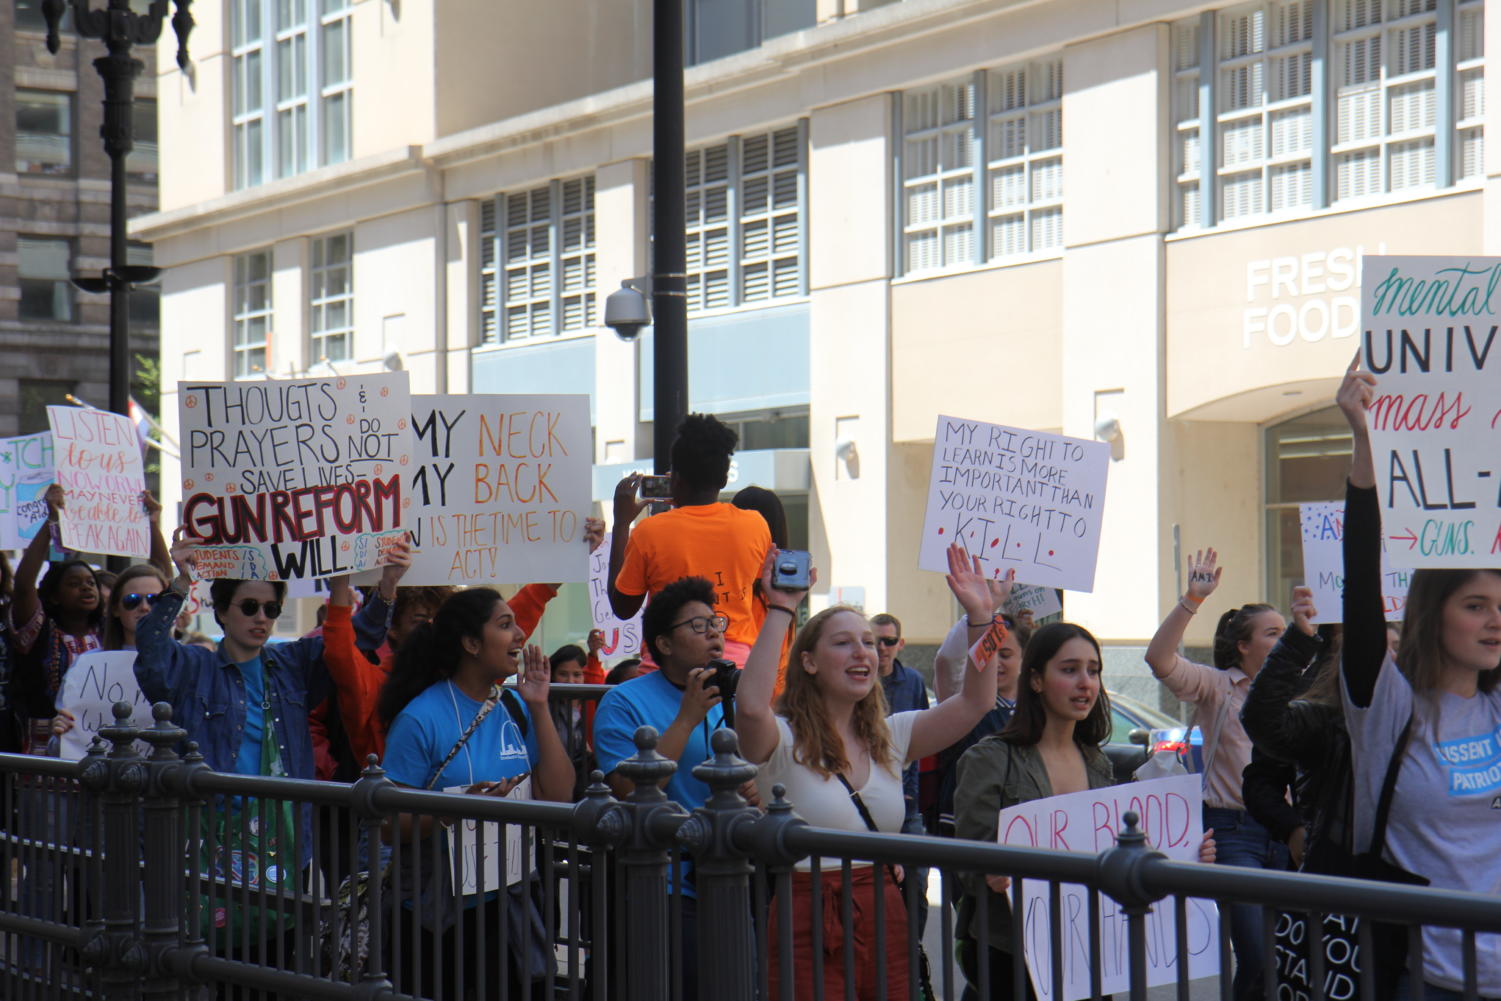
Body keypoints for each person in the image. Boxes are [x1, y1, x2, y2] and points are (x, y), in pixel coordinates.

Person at [736, 543, 1002, 1001]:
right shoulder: (780, 739)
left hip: (884, 910)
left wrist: (982, 620)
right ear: (809, 662)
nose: (864, 652)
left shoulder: (893, 735)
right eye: (843, 643)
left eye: (869, 642)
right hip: (805, 912)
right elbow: (749, 706)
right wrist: (781, 607)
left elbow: (976, 701)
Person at [1337, 362, 1501, 1001]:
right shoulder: (1389, 709)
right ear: (1436, 614)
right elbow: (1359, 587)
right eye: (1476, 605)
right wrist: (1363, 441)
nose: (1494, 622)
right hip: (1426, 978)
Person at [954, 621, 1218, 1001]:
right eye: (1069, 669)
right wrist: (989, 868)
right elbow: (967, 861)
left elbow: (1117, 852)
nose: (1086, 682)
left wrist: (1188, 855)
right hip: (1011, 953)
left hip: (1090, 953)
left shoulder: (1097, 763)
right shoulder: (990, 759)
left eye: (1093, 671)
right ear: (1036, 681)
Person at [377, 585, 576, 1001]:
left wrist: (540, 705)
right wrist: (459, 808)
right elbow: (389, 826)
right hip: (435, 917)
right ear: (470, 643)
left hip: (510, 905)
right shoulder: (420, 718)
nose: (520, 635)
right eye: (505, 625)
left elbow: (558, 797)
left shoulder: (515, 707)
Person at [1143, 546, 1290, 1001]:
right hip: (1234, 833)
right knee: (1258, 956)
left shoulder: (1300, 692)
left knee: (1285, 957)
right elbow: (1159, 659)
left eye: (1287, 632)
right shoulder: (1216, 685)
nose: (1285, 640)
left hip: (1290, 835)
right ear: (1244, 646)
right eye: (1273, 633)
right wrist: (1192, 599)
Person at [608, 414, 773, 666]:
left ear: (675, 479)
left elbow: (622, 607)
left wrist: (621, 524)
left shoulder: (649, 531)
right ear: (724, 479)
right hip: (734, 670)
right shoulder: (755, 524)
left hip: (667, 668)